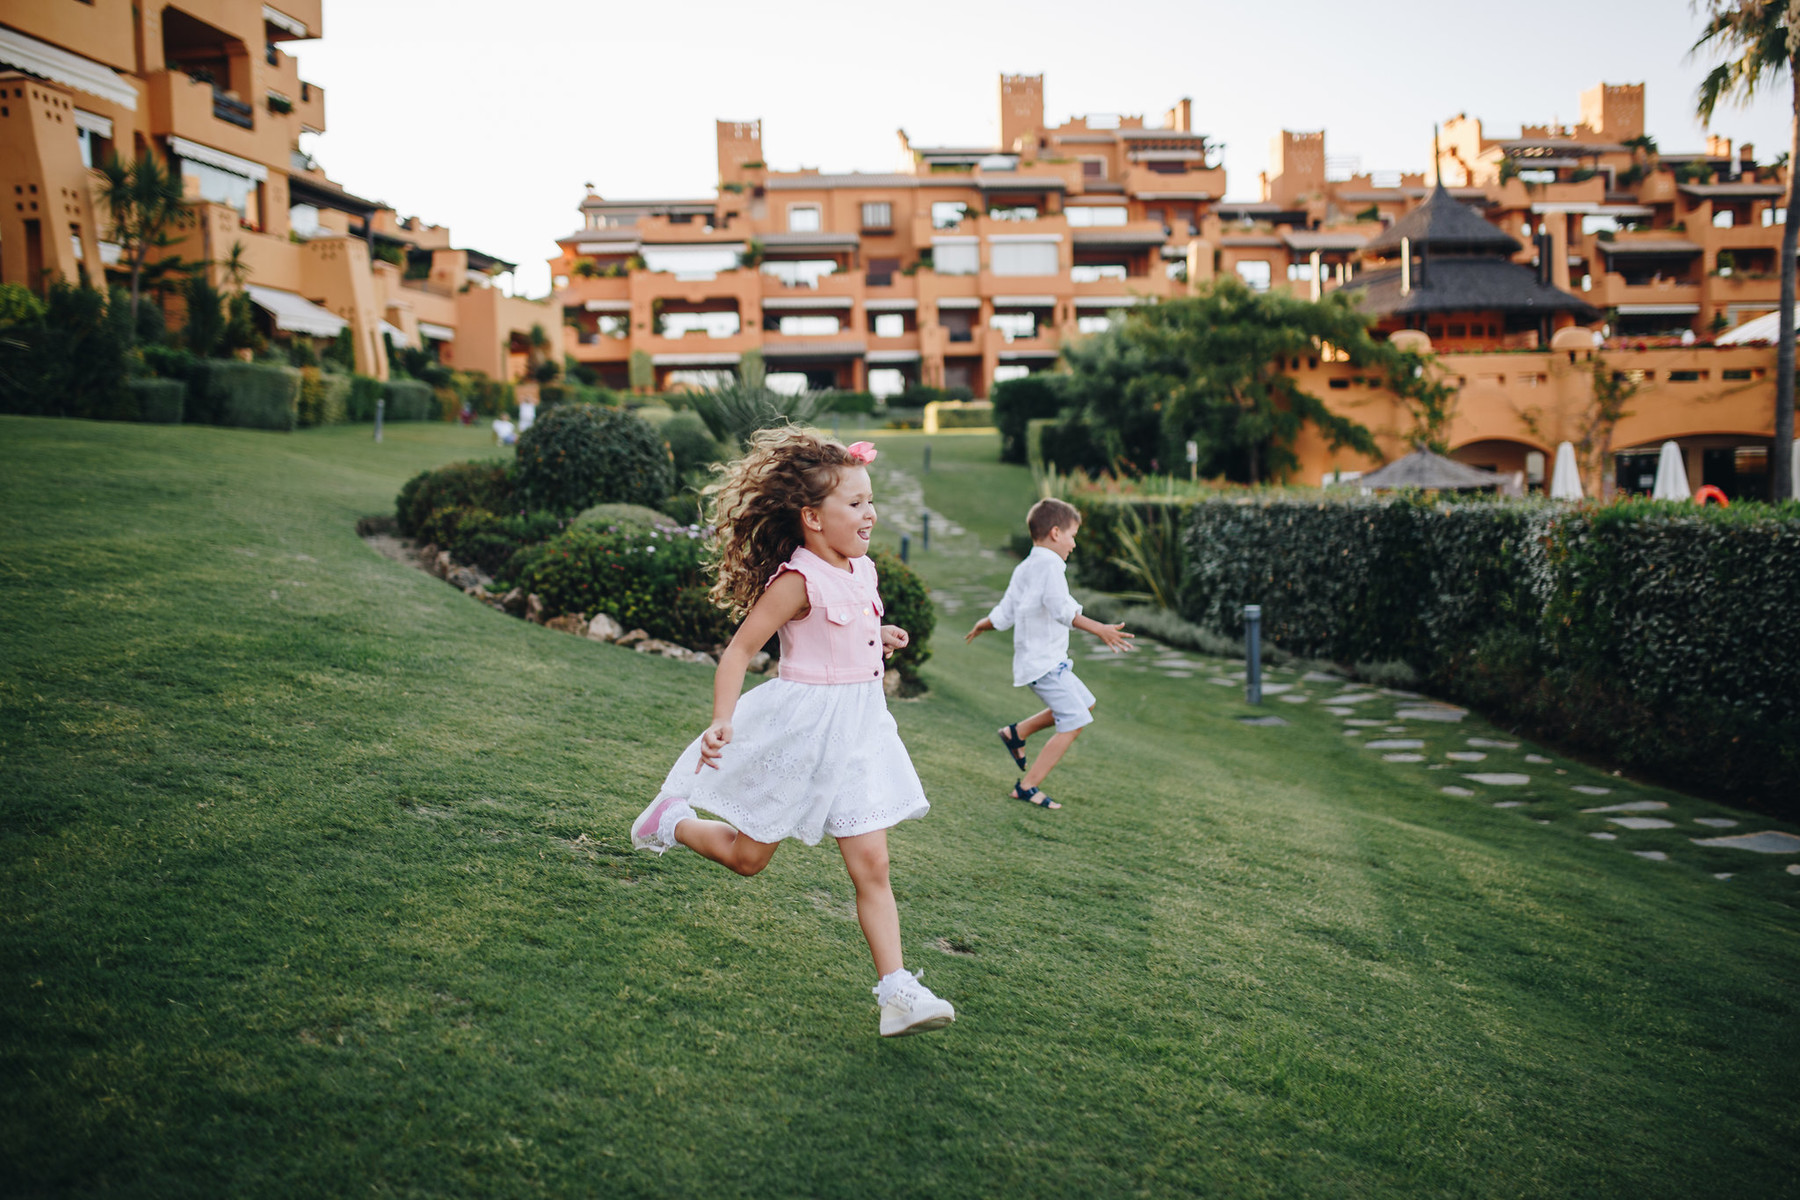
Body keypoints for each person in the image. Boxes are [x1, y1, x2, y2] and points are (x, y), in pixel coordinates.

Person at [630, 429, 955, 1038]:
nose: (870, 513)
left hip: (859, 733)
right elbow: (738, 652)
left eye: (870, 500)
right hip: (802, 734)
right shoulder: (795, 582)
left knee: (874, 866)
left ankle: (898, 992)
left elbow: (848, 632)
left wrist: (877, 640)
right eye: (854, 504)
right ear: (812, 517)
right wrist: (723, 718)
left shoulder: (864, 569)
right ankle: (670, 821)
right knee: (749, 859)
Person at [965, 497, 1134, 809]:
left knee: (1086, 704)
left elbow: (1006, 612)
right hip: (1045, 665)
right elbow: (1061, 609)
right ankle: (1027, 787)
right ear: (1055, 533)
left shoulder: (1026, 566)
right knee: (1074, 720)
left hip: (1042, 662)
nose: (1073, 544)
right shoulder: (1052, 565)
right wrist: (1101, 629)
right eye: (1072, 536)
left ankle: (1017, 733)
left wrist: (982, 624)